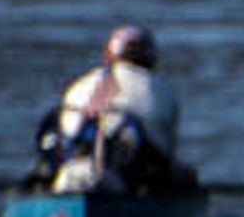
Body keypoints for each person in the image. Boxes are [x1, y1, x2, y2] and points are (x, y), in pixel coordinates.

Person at [28, 24, 190, 194]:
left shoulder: (78, 86)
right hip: (129, 178)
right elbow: (167, 151)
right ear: (152, 58)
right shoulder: (164, 90)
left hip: (69, 170)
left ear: (108, 55)